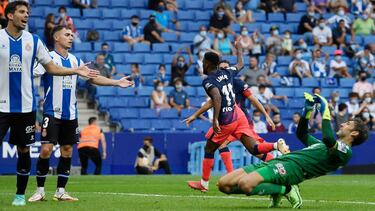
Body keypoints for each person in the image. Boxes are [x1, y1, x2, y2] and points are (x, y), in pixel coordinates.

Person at [0, 2, 99, 206]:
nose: (26, 15)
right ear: (10, 15)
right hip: (1, 106)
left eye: (28, 12)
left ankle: (20, 195)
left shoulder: (34, 41)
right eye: (21, 12)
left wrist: (76, 71)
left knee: (24, 150)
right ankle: (39, 190)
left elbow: (51, 67)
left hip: (27, 107)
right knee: (43, 150)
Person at [28, 26, 133, 203]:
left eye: (71, 35)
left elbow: (92, 78)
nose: (71, 37)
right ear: (56, 37)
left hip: (71, 114)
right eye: (67, 35)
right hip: (51, 112)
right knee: (46, 150)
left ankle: (61, 191)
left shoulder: (76, 60)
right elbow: (31, 73)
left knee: (67, 151)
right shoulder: (48, 58)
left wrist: (116, 82)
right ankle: (40, 190)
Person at [217, 93, 368, 209]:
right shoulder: (321, 145)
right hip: (279, 161)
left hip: (293, 170)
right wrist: (307, 112)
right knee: (223, 185)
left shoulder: (345, 152)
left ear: (354, 133)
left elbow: (329, 138)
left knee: (245, 184)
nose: (342, 125)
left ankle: (286, 189)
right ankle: (278, 190)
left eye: (347, 124)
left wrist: (325, 110)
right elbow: (301, 134)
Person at [186, 50, 288, 192]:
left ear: (208, 63)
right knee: (253, 148)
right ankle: (276, 145)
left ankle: (205, 183)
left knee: (210, 147)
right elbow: (240, 64)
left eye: (203, 61)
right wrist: (239, 49)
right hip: (238, 115)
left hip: (228, 120)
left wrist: (215, 119)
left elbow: (217, 98)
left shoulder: (210, 81)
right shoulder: (228, 73)